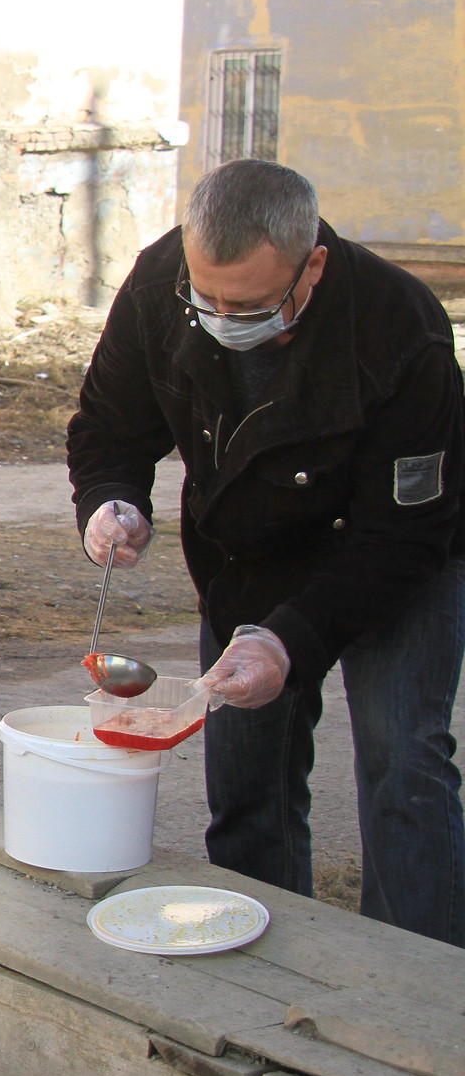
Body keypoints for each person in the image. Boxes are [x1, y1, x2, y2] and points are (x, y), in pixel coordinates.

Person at [68, 158, 465, 945]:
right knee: (248, 777)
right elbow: (111, 423)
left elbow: (404, 532)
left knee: (404, 763)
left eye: (248, 304)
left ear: (312, 263)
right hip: (247, 554)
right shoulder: (159, 284)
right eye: (204, 296)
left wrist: (294, 638)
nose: (220, 316)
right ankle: (255, 951)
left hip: (392, 561)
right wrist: (111, 500)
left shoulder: (399, 328)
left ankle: (419, 980)